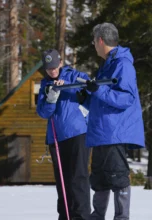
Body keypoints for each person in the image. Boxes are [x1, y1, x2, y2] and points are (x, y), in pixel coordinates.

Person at [81, 22, 145, 220]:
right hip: (101, 132)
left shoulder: (122, 64)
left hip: (114, 132)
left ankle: (121, 217)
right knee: (99, 179)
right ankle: (97, 216)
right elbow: (102, 101)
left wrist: (98, 90)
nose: (93, 45)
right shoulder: (107, 65)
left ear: (100, 40)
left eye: (94, 41)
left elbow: (126, 98)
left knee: (117, 177)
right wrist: (85, 97)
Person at [37, 49, 91, 220]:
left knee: (78, 178)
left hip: (77, 133)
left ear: (60, 63)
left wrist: (86, 86)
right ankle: (65, 216)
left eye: (54, 67)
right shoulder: (45, 85)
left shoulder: (73, 76)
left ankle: (81, 216)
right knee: (63, 181)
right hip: (56, 138)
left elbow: (87, 85)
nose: (52, 71)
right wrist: (52, 97)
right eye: (48, 68)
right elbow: (43, 113)